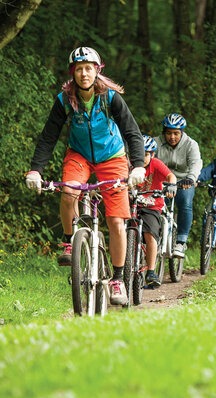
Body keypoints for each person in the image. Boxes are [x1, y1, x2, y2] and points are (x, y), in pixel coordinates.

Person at [25, 46, 146, 306]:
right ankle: (70, 242)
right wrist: (36, 170)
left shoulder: (110, 98)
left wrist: (138, 166)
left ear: (97, 70)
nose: (84, 73)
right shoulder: (64, 100)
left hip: (112, 157)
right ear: (73, 73)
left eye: (89, 68)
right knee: (69, 191)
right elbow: (48, 136)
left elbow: (132, 133)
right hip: (78, 155)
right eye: (79, 69)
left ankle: (116, 279)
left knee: (115, 221)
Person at [156, 113, 202, 258]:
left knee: (186, 203)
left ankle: (181, 242)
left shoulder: (191, 144)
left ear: (182, 132)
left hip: (184, 182)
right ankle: (154, 237)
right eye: (169, 133)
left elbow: (196, 163)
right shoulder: (156, 142)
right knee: (153, 206)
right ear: (164, 132)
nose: (172, 137)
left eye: (176, 133)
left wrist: (191, 178)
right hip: (161, 182)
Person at [137, 135, 177, 287]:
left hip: (152, 206)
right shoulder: (130, 165)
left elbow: (170, 175)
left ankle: (151, 271)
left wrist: (172, 185)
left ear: (152, 155)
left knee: (150, 234)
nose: (143, 157)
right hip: (133, 204)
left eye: (146, 154)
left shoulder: (155, 164)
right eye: (140, 153)